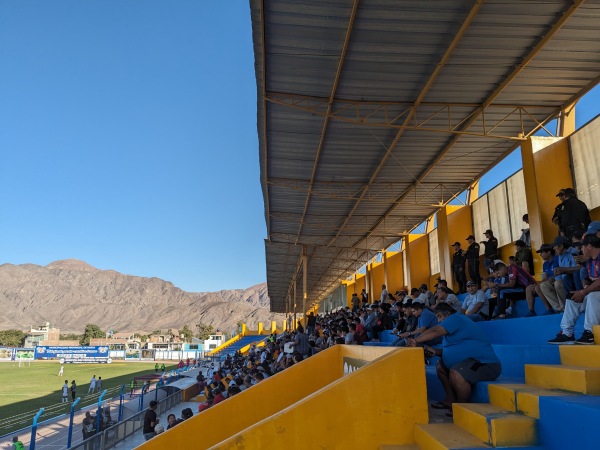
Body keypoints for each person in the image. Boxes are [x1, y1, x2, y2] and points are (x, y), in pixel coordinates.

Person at [407, 303, 501, 413]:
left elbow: (435, 330)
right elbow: (451, 351)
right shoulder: (451, 332)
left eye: (439, 316)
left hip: (485, 364)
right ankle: (450, 401)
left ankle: (461, 409)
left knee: (456, 373)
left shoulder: (456, 318)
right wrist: (434, 351)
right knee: (440, 366)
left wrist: (416, 340)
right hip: (468, 362)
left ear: (447, 314)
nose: (438, 320)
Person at [548, 233, 600, 345]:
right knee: (572, 298)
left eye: (583, 246)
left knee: (591, 295)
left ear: (590, 246)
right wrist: (585, 288)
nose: (581, 248)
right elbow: (586, 279)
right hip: (596, 298)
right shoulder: (590, 261)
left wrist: (583, 292)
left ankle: (589, 333)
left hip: (596, 297)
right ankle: (567, 333)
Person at [525, 244, 557, 316]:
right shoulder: (545, 264)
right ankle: (531, 311)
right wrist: (536, 284)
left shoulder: (556, 259)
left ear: (548, 252)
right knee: (528, 288)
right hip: (546, 282)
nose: (540, 255)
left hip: (554, 282)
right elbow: (545, 278)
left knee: (538, 287)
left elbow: (556, 275)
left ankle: (549, 309)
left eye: (542, 252)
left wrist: (538, 285)